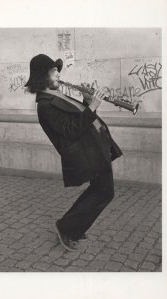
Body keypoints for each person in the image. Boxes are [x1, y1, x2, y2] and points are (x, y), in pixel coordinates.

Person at [24, 54, 123, 251]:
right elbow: (70, 131)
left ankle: (71, 226)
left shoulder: (56, 94)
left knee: (99, 190)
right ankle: (67, 228)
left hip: (94, 147)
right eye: (54, 71)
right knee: (104, 192)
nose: (58, 74)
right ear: (42, 76)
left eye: (58, 70)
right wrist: (93, 107)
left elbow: (77, 118)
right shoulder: (45, 105)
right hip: (86, 153)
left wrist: (87, 102)